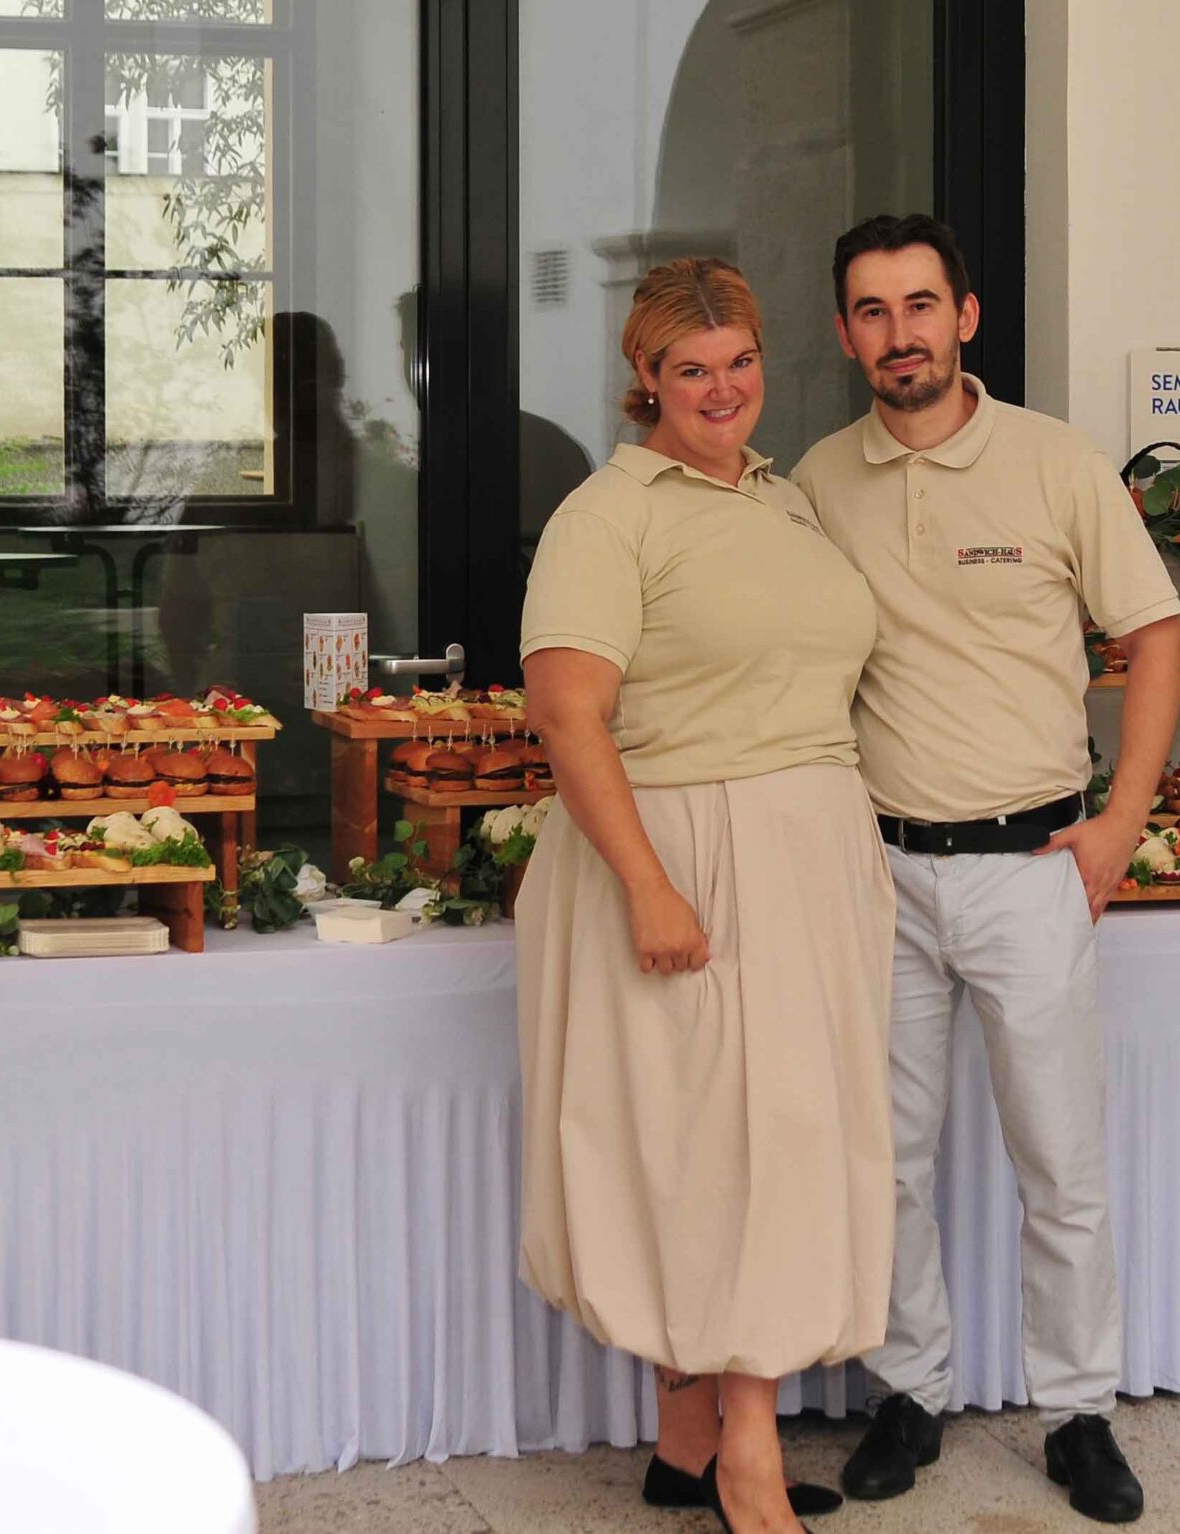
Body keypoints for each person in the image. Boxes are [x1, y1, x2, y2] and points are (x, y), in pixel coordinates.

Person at [792, 214, 1180, 1525]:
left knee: (1058, 1158)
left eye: (919, 304)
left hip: (1033, 863)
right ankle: (910, 1389)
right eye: (870, 309)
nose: (896, 332)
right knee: (889, 1155)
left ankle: (1079, 1408)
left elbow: (1155, 632)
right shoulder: (816, 482)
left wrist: (1122, 818)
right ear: (845, 331)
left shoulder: (1054, 463)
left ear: (966, 317)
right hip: (882, 872)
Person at [512, 257, 893, 1534]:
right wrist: (651, 886)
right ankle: (748, 1457)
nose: (721, 389)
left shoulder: (785, 501)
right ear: (644, 379)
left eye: (739, 362)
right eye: (691, 370)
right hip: (681, 853)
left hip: (809, 855)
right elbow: (567, 717)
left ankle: (686, 1442)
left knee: (766, 1142)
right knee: (717, 1156)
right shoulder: (608, 514)